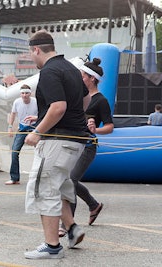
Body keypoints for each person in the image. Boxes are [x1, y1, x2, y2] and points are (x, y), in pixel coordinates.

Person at [23, 30, 91, 259]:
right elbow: (85, 97)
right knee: (59, 186)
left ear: (36, 50)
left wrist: (36, 131)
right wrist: (68, 119)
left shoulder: (49, 71)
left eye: (31, 53)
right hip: (76, 140)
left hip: (57, 140)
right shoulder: (70, 68)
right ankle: (72, 228)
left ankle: (52, 246)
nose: (32, 58)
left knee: (44, 189)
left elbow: (59, 107)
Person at [71, 58, 114, 226]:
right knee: (69, 181)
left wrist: (96, 130)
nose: (80, 79)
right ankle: (93, 205)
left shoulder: (100, 100)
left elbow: (110, 126)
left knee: (70, 181)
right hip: (72, 144)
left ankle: (67, 225)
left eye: (82, 76)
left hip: (87, 147)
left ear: (92, 79)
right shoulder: (78, 96)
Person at [5, 84, 38, 185]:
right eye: (23, 93)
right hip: (22, 128)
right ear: (20, 94)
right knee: (14, 152)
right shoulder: (17, 102)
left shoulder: (36, 102)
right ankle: (14, 178)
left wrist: (35, 117)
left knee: (40, 152)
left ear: (30, 93)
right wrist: (10, 127)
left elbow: (44, 114)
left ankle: (38, 177)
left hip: (35, 128)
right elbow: (13, 114)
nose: (24, 95)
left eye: (27, 93)